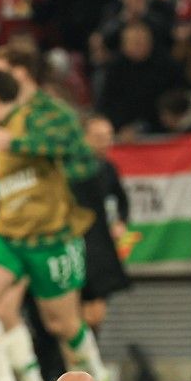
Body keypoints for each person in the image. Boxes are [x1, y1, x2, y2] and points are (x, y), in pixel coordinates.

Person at [0, 69, 106, 381]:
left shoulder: (38, 121)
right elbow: (19, 186)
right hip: (8, 235)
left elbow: (67, 149)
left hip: (50, 239)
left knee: (62, 323)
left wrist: (19, 145)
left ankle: (97, 380)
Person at [74, 115, 132, 335]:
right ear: (85, 138)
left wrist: (120, 222)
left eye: (109, 137)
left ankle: (90, 361)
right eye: (99, 137)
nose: (105, 142)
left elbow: (122, 199)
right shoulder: (73, 169)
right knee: (74, 314)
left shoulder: (108, 168)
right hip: (77, 245)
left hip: (101, 248)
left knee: (97, 314)